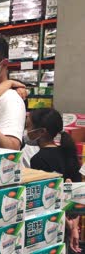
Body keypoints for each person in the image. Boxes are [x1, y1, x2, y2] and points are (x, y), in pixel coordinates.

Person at [24, 108, 82, 253]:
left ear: (41, 131)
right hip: (68, 222)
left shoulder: (38, 159)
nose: (27, 130)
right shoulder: (68, 152)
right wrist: (74, 226)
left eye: (29, 126)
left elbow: (42, 200)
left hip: (49, 225)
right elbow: (77, 195)